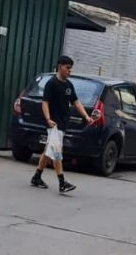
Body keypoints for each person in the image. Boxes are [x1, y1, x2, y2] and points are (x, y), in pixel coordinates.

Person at [30, 55, 94, 194]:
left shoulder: (69, 85)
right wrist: (48, 119)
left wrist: (86, 116)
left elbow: (76, 102)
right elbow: (45, 102)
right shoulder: (52, 83)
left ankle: (36, 177)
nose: (69, 71)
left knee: (48, 151)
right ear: (60, 67)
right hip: (53, 124)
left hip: (63, 123)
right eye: (67, 68)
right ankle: (62, 182)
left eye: (71, 69)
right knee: (57, 151)